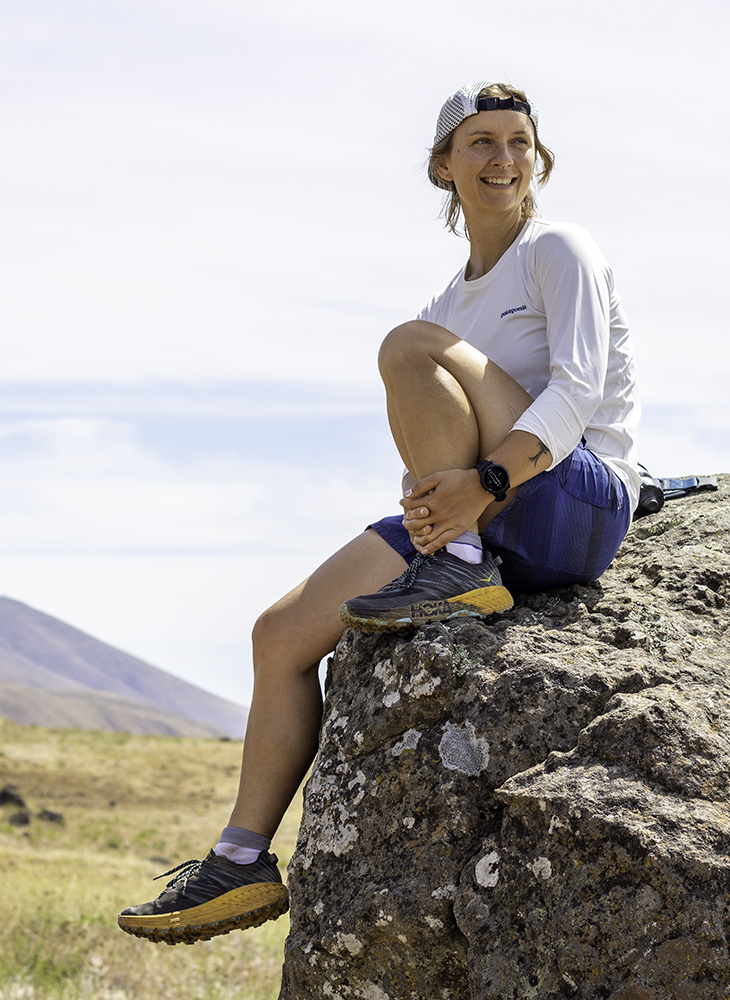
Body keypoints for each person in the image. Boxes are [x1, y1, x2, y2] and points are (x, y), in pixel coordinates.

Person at [117, 80, 640, 944]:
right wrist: (433, 494)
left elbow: (578, 392)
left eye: (518, 141)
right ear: (444, 167)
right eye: (480, 143)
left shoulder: (560, 250)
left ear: (537, 159)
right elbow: (431, 433)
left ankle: (462, 567)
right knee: (279, 635)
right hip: (487, 512)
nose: (502, 158)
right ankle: (241, 862)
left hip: (572, 500)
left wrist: (483, 488)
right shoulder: (452, 303)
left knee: (404, 345)